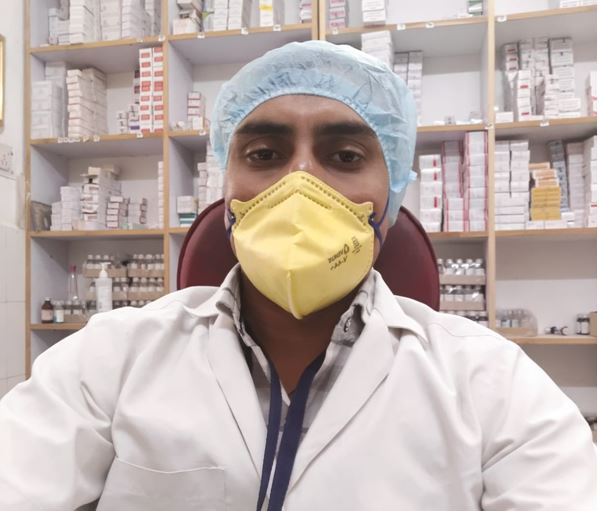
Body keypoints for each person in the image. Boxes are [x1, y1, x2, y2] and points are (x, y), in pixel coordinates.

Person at [0, 41, 596, 511]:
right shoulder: (110, 357)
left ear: (390, 199)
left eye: (345, 157)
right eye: (264, 154)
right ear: (225, 192)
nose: (300, 184)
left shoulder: (494, 381)